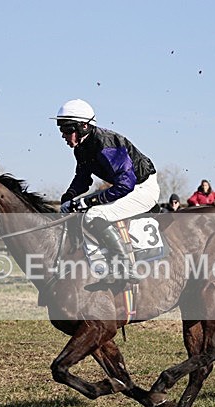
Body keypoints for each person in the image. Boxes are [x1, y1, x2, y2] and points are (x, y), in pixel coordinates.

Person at [54, 99, 159, 285]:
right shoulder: (82, 148)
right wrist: (68, 197)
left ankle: (125, 267)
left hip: (142, 189)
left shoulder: (106, 145)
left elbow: (126, 185)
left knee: (93, 214)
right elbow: (83, 179)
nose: (63, 135)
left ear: (83, 126)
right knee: (84, 210)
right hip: (129, 188)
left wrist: (90, 201)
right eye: (60, 129)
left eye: (67, 130)